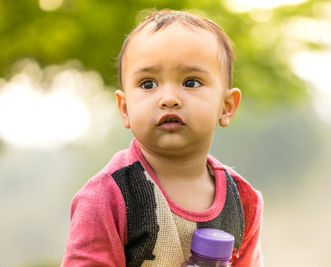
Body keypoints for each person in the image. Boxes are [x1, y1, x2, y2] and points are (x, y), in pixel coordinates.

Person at [62, 10, 263, 267]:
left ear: (226, 107)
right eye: (148, 84)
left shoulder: (243, 201)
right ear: (125, 109)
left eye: (191, 82)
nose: (169, 98)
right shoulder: (109, 196)